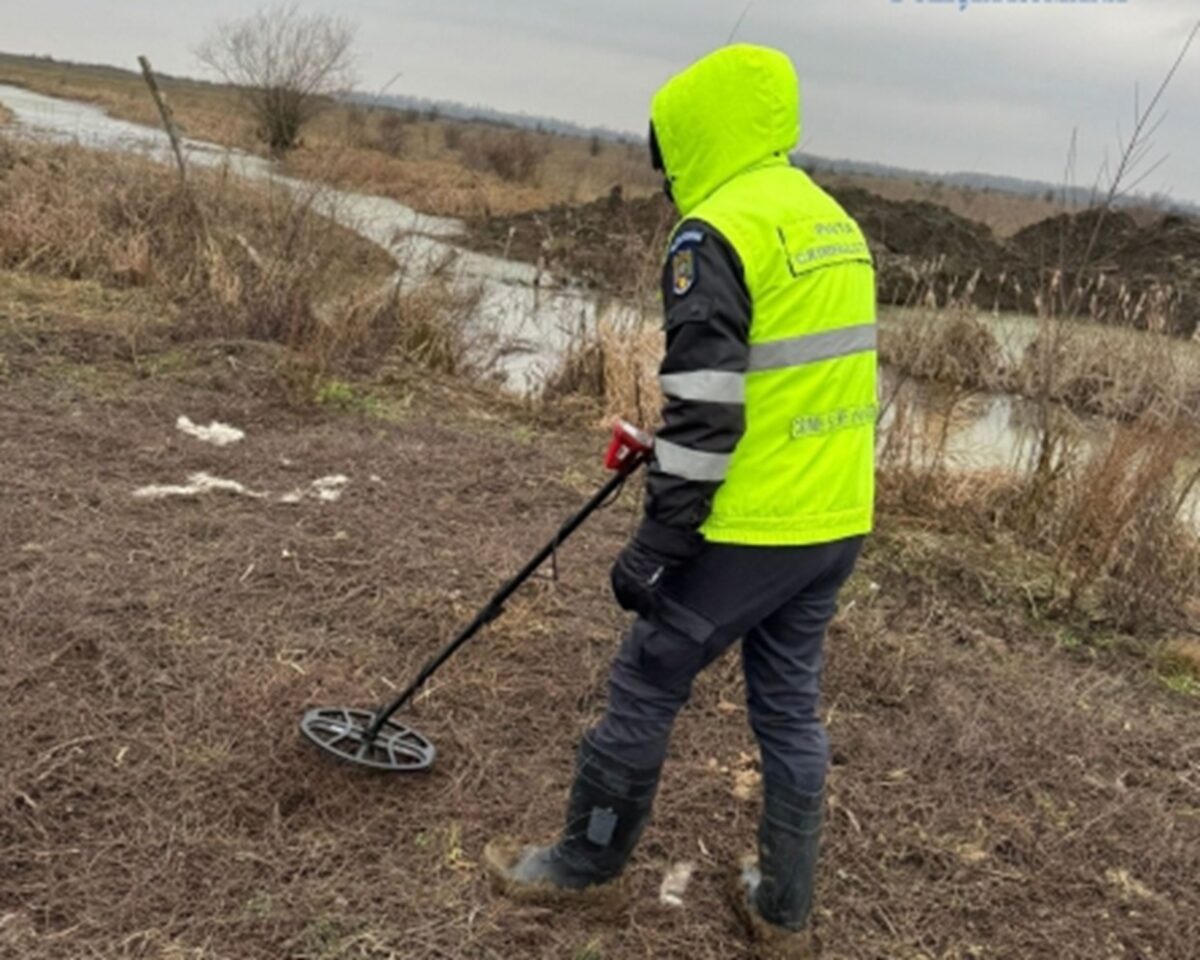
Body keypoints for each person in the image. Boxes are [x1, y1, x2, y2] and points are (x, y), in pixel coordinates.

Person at [485, 43, 876, 957]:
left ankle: (583, 872)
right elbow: (788, 389)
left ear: (693, 134)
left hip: (751, 525)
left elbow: (707, 410)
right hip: (834, 518)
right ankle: (782, 913)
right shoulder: (832, 223)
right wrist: (671, 448)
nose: (662, 182)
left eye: (664, 157)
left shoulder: (715, 233)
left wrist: (661, 539)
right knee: (786, 706)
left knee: (647, 674)